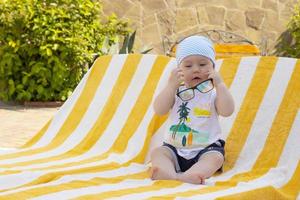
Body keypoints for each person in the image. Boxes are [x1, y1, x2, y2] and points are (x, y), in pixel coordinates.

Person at [150, 35, 235, 184]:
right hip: (174, 149)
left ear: (213, 68)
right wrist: (170, 86)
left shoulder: (214, 93)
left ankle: (194, 172)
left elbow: (227, 111)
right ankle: (172, 174)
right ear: (179, 70)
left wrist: (220, 85)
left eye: (203, 64)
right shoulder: (176, 92)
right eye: (188, 66)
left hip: (206, 149)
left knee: (217, 158)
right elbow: (159, 109)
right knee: (158, 152)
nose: (196, 70)